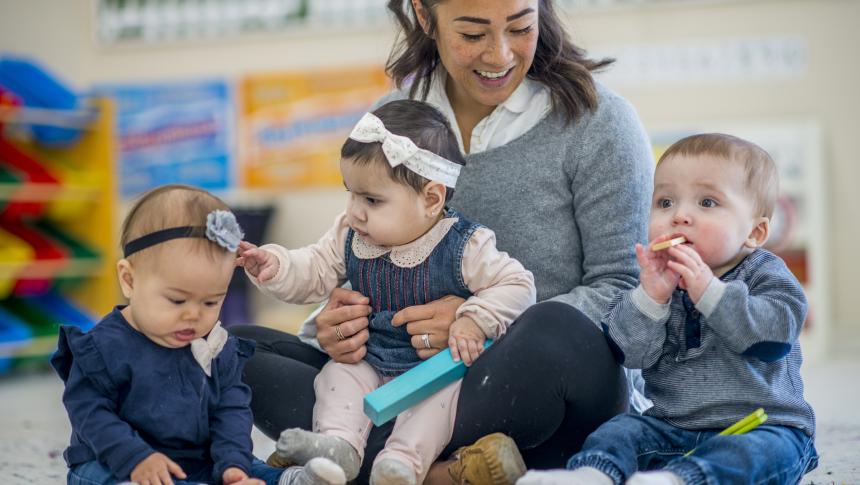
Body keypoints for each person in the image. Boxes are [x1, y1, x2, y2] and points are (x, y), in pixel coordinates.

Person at [231, 0, 654, 482]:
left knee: (556, 328)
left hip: (524, 383)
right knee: (236, 351)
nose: (499, 55)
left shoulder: (600, 123)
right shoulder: (391, 123)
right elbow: (360, 245)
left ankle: (376, 464)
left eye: (520, 27)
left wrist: (481, 323)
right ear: (425, 16)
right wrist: (336, 325)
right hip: (395, 374)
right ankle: (445, 471)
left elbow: (623, 291)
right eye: (473, 35)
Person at [237, 99, 536, 485]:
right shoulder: (351, 233)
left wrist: (474, 318)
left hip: (434, 370)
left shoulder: (466, 245)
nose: (356, 211)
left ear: (431, 199)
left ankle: (401, 465)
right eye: (352, 194)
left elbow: (517, 285)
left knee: (436, 406)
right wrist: (276, 265)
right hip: (368, 359)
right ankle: (338, 447)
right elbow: (313, 268)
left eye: (372, 200)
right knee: (336, 376)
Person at [518, 133, 818, 485]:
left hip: (762, 427)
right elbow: (629, 353)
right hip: (674, 428)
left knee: (762, 455)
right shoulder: (658, 280)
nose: (680, 216)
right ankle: (592, 474)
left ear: (755, 232)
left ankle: (678, 480)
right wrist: (651, 298)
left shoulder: (765, 274)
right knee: (621, 431)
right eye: (665, 202)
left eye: (707, 202)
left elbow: (772, 338)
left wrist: (709, 292)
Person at [51, 184, 346, 485]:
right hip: (115, 462)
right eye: (177, 300)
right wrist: (137, 458)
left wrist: (233, 464)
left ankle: (291, 480)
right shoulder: (102, 347)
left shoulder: (216, 346)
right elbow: (90, 415)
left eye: (211, 301)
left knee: (252, 470)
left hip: (198, 461)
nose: (193, 315)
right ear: (129, 280)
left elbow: (231, 411)